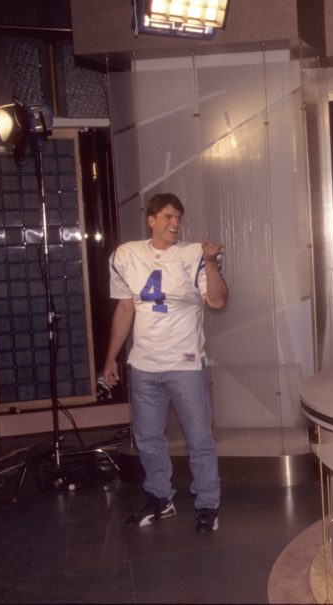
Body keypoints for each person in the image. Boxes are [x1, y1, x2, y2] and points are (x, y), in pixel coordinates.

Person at [102, 193, 228, 535]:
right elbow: (126, 308)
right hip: (144, 365)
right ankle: (160, 498)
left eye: (179, 218)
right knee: (147, 439)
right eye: (169, 217)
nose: (175, 224)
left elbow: (217, 301)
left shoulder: (193, 255)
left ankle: (207, 504)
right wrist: (111, 357)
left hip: (185, 364)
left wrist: (212, 261)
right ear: (152, 219)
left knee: (199, 439)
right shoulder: (126, 255)